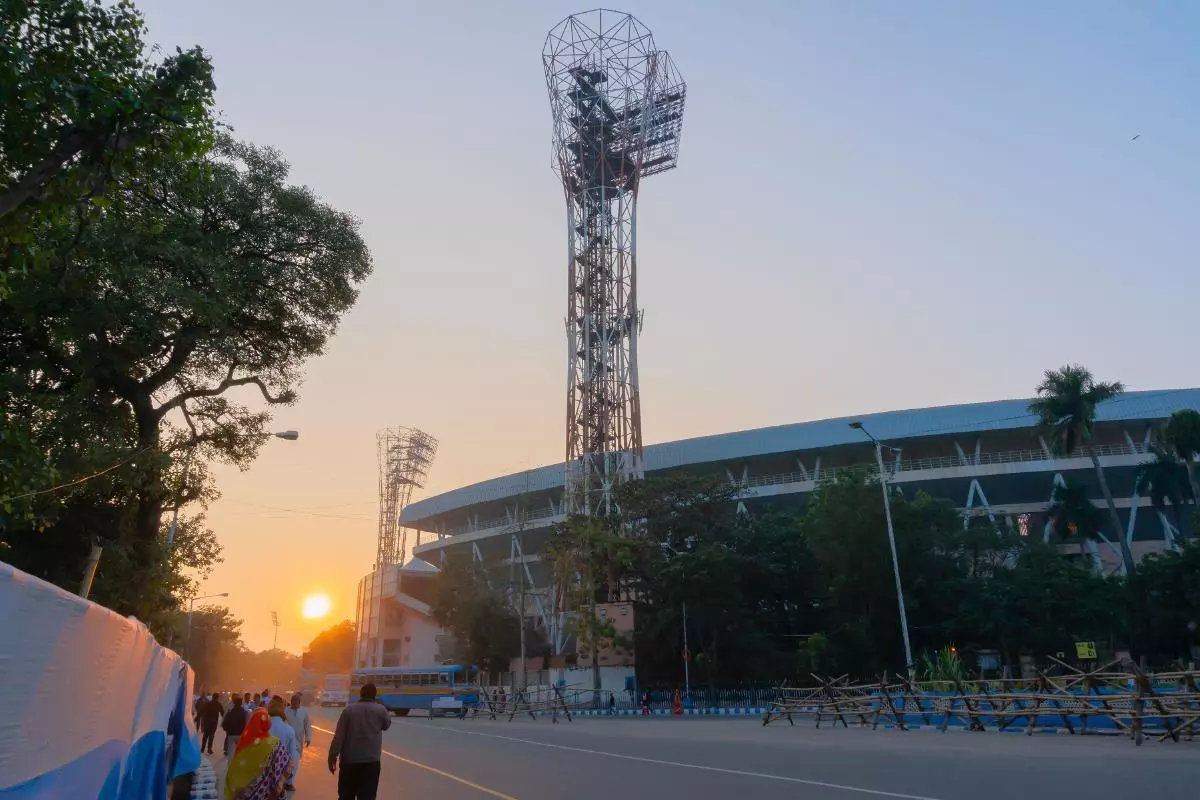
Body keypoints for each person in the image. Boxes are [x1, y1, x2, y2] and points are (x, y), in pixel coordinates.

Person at [328, 682, 391, 800]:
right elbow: (386, 725)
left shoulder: (348, 710)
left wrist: (332, 756)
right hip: (371, 762)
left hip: (349, 761)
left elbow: (339, 736)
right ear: (375, 695)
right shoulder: (380, 710)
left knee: (346, 795)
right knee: (367, 796)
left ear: (360, 694)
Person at [224, 708, 292, 800]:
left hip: (243, 793)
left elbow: (234, 770)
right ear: (268, 724)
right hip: (266, 793)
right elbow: (287, 768)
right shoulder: (274, 742)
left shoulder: (244, 742)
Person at [267, 698, 301, 793]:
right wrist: (291, 774)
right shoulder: (288, 729)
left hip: (264, 771)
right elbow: (292, 755)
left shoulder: (262, 728)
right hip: (280, 770)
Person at [285, 693, 313, 783]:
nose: (294, 703)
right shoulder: (286, 711)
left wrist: (308, 738)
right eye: (293, 701)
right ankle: (288, 782)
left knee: (295, 762)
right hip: (287, 741)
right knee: (287, 761)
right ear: (291, 701)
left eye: (296, 701)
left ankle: (290, 781)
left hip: (298, 741)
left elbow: (307, 725)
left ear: (299, 702)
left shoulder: (303, 712)